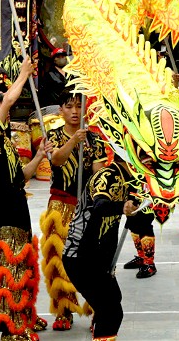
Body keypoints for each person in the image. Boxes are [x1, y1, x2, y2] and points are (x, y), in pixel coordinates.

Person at [0, 59, 50, 341]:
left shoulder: (6, 142)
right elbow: (8, 100)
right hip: (5, 207)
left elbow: (22, 175)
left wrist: (40, 155)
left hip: (18, 202)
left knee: (25, 264)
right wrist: (22, 75)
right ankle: (10, 328)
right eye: (0, 111)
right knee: (12, 267)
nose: (6, 113)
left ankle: (24, 315)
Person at [42, 93, 107, 329]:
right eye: (69, 106)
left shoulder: (95, 139)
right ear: (61, 111)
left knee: (91, 260)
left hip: (86, 206)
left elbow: (98, 173)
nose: (74, 111)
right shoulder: (53, 135)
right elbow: (57, 160)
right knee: (58, 259)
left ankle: (98, 309)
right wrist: (73, 142)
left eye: (79, 106)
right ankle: (64, 309)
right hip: (60, 205)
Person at [63, 152, 142, 341]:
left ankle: (99, 329)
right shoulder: (107, 176)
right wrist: (122, 207)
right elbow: (100, 205)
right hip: (81, 256)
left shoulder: (129, 179)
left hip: (99, 257)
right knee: (111, 311)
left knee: (113, 301)